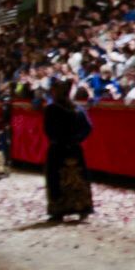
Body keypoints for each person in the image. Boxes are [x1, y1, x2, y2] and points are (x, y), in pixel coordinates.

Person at [42, 80, 95, 222]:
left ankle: (58, 210)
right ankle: (82, 207)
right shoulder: (78, 109)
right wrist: (77, 139)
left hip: (58, 148)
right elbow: (88, 127)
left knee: (56, 178)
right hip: (74, 148)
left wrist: (58, 139)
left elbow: (48, 129)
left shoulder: (52, 109)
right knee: (78, 177)